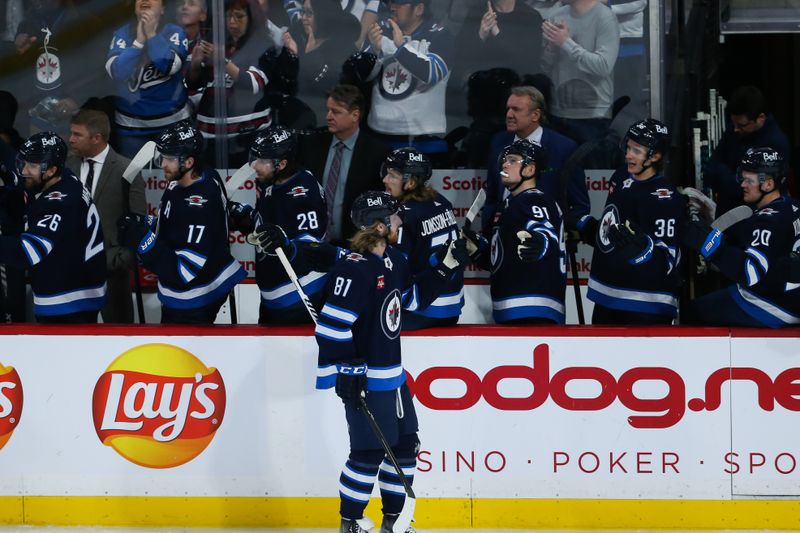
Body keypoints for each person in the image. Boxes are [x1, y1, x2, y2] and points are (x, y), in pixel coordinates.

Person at [312, 190, 467, 533]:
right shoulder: (354, 268)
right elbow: (331, 326)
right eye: (395, 217)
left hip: (393, 375)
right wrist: (348, 371)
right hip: (366, 377)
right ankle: (351, 520)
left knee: (405, 446)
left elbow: (411, 299)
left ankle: (395, 521)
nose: (401, 221)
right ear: (380, 226)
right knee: (367, 453)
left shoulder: (394, 259)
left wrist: (446, 267)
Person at [118, 122, 247, 324]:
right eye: (162, 157)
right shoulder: (192, 177)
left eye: (169, 159)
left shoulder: (199, 204)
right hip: (197, 285)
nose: (162, 164)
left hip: (196, 296)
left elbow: (184, 270)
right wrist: (144, 222)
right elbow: (174, 224)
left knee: (181, 354)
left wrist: (143, 242)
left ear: (188, 162)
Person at [570, 118, 685, 325]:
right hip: (607, 296)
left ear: (656, 156)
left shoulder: (665, 198)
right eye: (629, 147)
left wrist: (643, 251)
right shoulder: (621, 177)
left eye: (637, 151)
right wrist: (588, 227)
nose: (628, 155)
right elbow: (612, 229)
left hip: (645, 304)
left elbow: (667, 261)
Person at [682, 147, 800, 328]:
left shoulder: (768, 220)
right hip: (792, 299)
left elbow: (750, 271)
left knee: (692, 312)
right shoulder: (792, 207)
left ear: (768, 184)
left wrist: (710, 246)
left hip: (775, 305)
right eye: (742, 178)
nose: (743, 184)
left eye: (749, 180)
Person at [0, 131, 107, 323]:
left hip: (68, 302)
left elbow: (28, 252)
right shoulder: (64, 177)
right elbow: (28, 195)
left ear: (50, 170)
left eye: (31, 165)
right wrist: (10, 183)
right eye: (23, 162)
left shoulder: (60, 203)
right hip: (76, 290)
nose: (24, 171)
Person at [229, 125, 328, 324]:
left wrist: (286, 243)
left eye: (262, 160)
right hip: (274, 296)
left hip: (300, 297)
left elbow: (311, 248)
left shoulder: (302, 193)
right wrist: (243, 216)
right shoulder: (273, 184)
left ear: (281, 164)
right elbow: (269, 227)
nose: (255, 165)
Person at [464, 140, 566, 324]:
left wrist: (540, 244)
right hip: (516, 305)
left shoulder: (534, 200)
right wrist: (477, 248)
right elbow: (503, 257)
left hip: (533, 307)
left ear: (529, 170)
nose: (504, 164)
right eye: (505, 160)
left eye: (512, 160)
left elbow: (542, 231)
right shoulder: (510, 203)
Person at [66, 109, 146, 324]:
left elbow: (138, 219)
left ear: (97, 138)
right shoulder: (66, 166)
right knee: (74, 334)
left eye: (77, 134)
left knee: (119, 332)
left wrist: (122, 259)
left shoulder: (127, 168)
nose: (70, 139)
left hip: (111, 268)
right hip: (71, 267)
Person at [482, 85, 589, 234]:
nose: (509, 114)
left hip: (544, 237)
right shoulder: (498, 143)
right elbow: (492, 196)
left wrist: (556, 231)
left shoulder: (563, 148)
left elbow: (579, 204)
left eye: (516, 109)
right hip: (502, 235)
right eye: (508, 108)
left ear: (535, 115)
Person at [190, 0, 284, 167]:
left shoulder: (263, 46)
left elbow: (253, 84)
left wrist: (223, 61)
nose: (232, 22)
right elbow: (194, 85)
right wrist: (196, 65)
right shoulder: (217, 42)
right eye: (228, 16)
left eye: (239, 16)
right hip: (208, 139)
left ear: (252, 18)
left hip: (246, 138)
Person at [296, 84, 387, 246]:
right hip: (312, 241)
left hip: (356, 244)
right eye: (328, 110)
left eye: (336, 112)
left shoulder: (378, 153)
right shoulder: (310, 145)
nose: (328, 116)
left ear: (355, 115)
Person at [381, 148, 463, 329]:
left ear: (410, 182)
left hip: (421, 310)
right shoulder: (441, 202)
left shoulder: (403, 216)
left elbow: (395, 269)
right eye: (386, 174)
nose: (385, 180)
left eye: (392, 176)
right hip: (451, 309)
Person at [360, 0, 454, 152]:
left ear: (419, 9)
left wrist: (401, 48)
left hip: (424, 140)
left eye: (399, 3)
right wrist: (374, 51)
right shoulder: (380, 33)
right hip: (378, 136)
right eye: (391, 3)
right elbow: (362, 76)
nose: (392, 7)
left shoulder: (441, 37)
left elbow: (432, 73)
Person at [107, 0, 192, 158]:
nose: (144, 0)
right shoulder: (122, 34)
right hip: (131, 129)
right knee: (134, 180)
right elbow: (116, 72)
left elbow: (170, 66)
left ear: (163, 9)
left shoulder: (175, 32)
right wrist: (138, 42)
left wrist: (152, 35)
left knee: (174, 175)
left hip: (173, 124)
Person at [704, 86, 792, 217]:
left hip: (757, 218)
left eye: (741, 125)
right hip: (726, 216)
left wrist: (725, 176)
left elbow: (757, 186)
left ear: (760, 118)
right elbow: (710, 170)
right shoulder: (735, 131)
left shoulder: (775, 144)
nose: (735, 129)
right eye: (733, 123)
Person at [541, 0, 619, 146]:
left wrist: (565, 42)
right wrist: (552, 47)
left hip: (593, 115)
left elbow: (603, 66)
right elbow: (543, 68)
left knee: (590, 167)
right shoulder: (555, 16)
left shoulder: (605, 17)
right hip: (558, 112)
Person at [282, 0, 360, 124]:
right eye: (303, 12)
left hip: (328, 120)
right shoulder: (296, 37)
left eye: (309, 13)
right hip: (295, 116)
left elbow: (336, 90)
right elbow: (285, 85)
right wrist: (293, 56)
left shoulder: (345, 47)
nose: (303, 18)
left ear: (324, 16)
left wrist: (311, 56)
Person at [454, 0, 543, 87]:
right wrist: (481, 35)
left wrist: (497, 33)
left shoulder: (530, 17)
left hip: (516, 90)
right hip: (482, 87)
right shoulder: (477, 11)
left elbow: (528, 63)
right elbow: (461, 56)